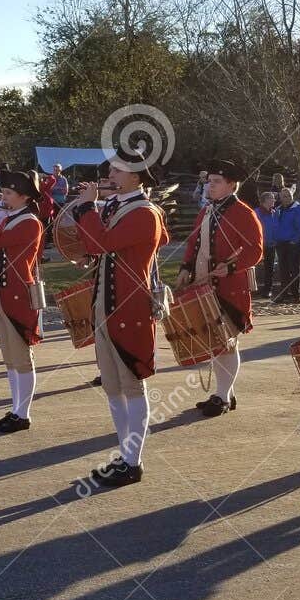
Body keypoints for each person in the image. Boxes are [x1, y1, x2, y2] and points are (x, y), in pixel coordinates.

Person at [72, 155, 171, 487]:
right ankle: (124, 455)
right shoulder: (114, 206)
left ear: (136, 177)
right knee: (113, 387)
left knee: (131, 384)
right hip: (105, 304)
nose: (109, 174)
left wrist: (87, 209)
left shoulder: (144, 212)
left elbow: (104, 241)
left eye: (117, 170)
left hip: (129, 308)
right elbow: (99, 246)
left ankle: (134, 461)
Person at [175, 160, 264, 417]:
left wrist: (232, 266)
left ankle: (222, 396)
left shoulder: (244, 213)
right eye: (209, 181)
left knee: (227, 342)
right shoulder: (206, 211)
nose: (209, 186)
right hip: (205, 284)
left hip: (231, 287)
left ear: (231, 185)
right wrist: (185, 267)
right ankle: (226, 392)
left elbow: (256, 250)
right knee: (215, 341)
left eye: (216, 182)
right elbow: (194, 242)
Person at [0, 169, 46, 432]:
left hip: (17, 296)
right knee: (9, 357)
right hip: (2, 293)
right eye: (2, 192)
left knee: (21, 358)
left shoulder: (30, 222)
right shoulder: (10, 218)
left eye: (7, 193)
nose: (2, 197)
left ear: (24, 196)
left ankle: (23, 414)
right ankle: (16, 408)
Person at [271, 186, 300, 303]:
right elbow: (275, 226)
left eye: (288, 196)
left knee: (294, 269)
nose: (286, 198)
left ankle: (296, 295)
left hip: (293, 243)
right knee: (283, 270)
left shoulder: (298, 209)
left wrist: (294, 240)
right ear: (280, 198)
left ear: (292, 196)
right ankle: (284, 294)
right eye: (283, 196)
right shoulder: (278, 210)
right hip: (280, 243)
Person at [254, 191, 280, 299]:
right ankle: (251, 288)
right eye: (271, 198)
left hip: (271, 245)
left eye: (274, 198)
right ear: (264, 200)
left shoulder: (275, 213)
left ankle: (267, 290)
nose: (274, 200)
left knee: (269, 268)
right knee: (253, 267)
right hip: (258, 245)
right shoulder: (257, 212)